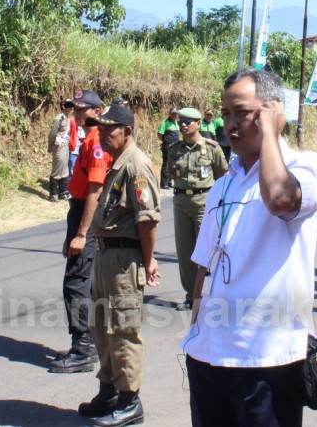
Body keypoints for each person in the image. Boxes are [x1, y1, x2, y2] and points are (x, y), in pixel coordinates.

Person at [181, 68, 317, 427]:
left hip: (266, 360)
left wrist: (270, 138)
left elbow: (280, 199)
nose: (231, 124)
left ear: (272, 112)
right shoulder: (222, 185)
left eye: (243, 113)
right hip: (208, 355)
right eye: (226, 113)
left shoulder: (304, 166)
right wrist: (194, 330)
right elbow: (204, 264)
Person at [78, 104, 161, 426]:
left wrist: (149, 260)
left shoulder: (136, 166)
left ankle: (130, 401)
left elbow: (147, 220)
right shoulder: (117, 164)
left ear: (127, 131)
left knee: (123, 330)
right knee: (102, 326)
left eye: (107, 128)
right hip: (106, 255)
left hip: (125, 258)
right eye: (97, 128)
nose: (100, 134)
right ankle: (108, 390)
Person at [49, 90, 113, 374]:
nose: (77, 113)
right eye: (75, 108)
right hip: (77, 213)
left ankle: (82, 349)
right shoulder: (87, 138)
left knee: (77, 282)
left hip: (87, 216)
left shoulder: (97, 140)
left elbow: (95, 189)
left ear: (97, 112)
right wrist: (71, 231)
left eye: (83, 109)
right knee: (79, 281)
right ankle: (84, 345)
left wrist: (82, 233)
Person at [166, 107, 228, 310]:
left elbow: (222, 177)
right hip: (181, 202)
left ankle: (209, 293)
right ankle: (191, 295)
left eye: (188, 121)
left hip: (204, 202)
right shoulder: (174, 149)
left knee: (207, 250)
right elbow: (173, 175)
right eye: (181, 121)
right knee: (185, 252)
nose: (183, 124)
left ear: (198, 124)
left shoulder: (212, 148)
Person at [48, 99, 74, 201]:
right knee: (57, 167)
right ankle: (53, 193)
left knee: (65, 168)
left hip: (66, 145)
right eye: (69, 105)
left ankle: (63, 191)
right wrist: (50, 145)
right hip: (59, 145)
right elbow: (52, 133)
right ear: (63, 106)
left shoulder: (68, 118)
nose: (71, 108)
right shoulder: (59, 118)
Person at [157, 108, 180, 189]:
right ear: (169, 113)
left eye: (176, 113)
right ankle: (164, 183)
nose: (174, 115)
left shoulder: (177, 123)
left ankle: (170, 181)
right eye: (173, 113)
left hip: (176, 147)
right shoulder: (165, 122)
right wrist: (165, 141)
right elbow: (160, 134)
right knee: (166, 164)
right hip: (167, 146)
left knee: (173, 164)